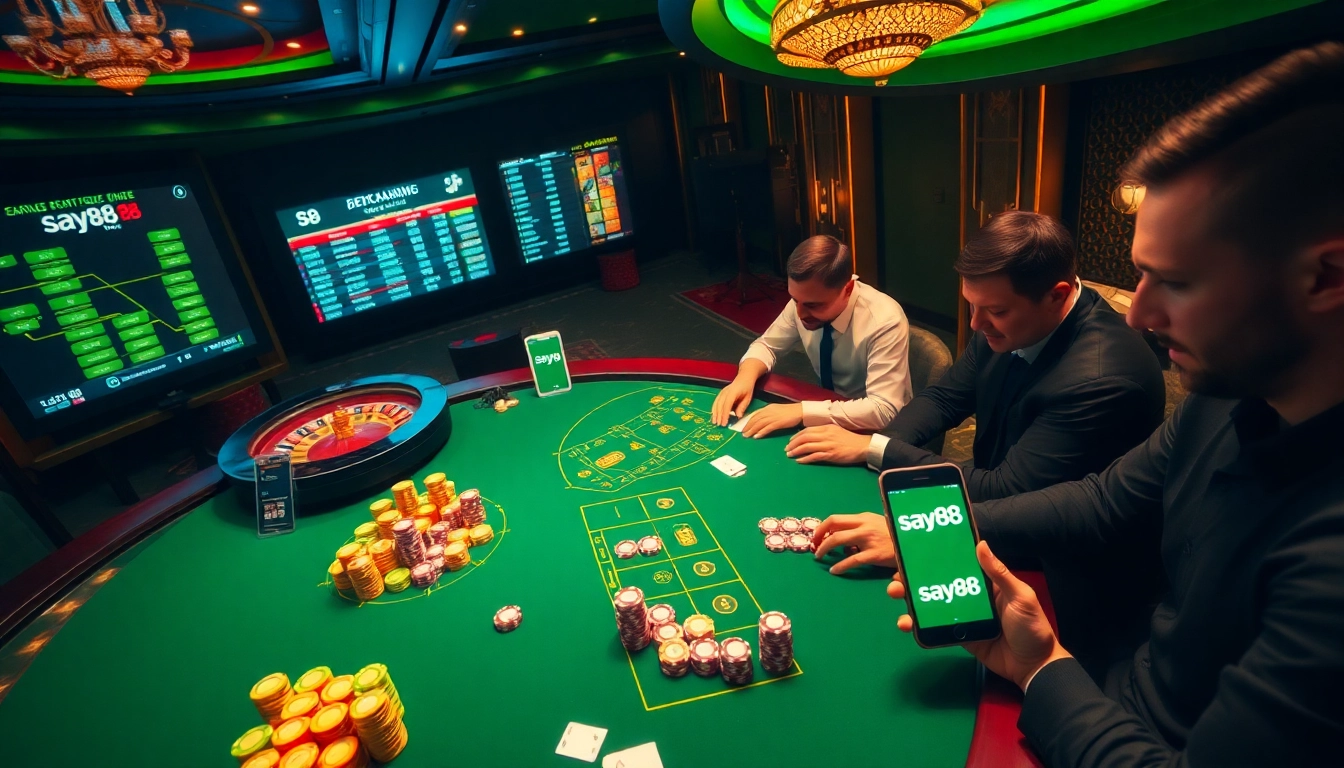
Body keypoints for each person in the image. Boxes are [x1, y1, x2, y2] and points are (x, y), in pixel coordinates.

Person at [860, 43, 1344, 766]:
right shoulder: (1227, 395)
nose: (1138, 314)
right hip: (1114, 687)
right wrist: (932, 529)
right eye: (1140, 276)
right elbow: (1103, 499)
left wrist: (1042, 669)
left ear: (1326, 276)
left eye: (1176, 282)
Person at [786, 212, 1165, 508]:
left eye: (995, 311)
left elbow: (1006, 489)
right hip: (994, 500)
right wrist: (880, 446)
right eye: (972, 305)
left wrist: (874, 449)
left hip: (1057, 557)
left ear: (1056, 295)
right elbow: (943, 399)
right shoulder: (1004, 322)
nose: (975, 324)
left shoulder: (1102, 382)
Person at [710, 235, 912, 436]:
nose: (799, 314)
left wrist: (801, 411)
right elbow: (766, 346)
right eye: (794, 299)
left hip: (879, 431)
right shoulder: (804, 301)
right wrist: (744, 378)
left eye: (813, 305)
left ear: (848, 289)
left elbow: (883, 410)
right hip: (825, 410)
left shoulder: (885, 321)